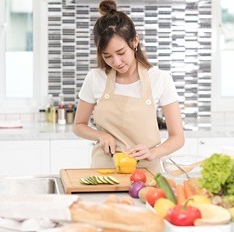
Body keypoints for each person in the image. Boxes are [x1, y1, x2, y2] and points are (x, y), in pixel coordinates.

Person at [73, 0, 184, 173]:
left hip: (147, 172)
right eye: (107, 56)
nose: (116, 62)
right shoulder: (95, 78)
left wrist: (153, 152)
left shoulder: (159, 79)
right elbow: (79, 125)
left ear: (135, 41)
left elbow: (178, 138)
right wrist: (100, 135)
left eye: (121, 52)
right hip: (104, 172)